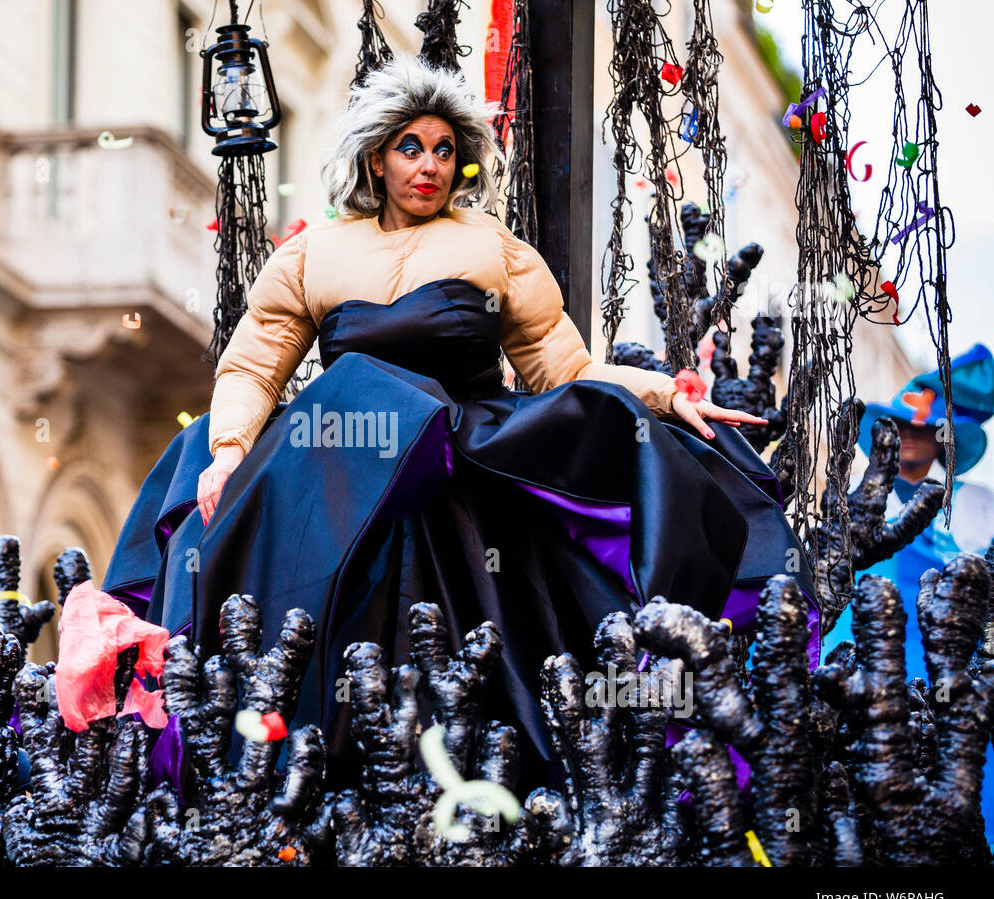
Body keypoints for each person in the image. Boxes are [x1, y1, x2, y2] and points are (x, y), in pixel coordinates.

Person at [103, 54, 820, 793]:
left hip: (466, 480)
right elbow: (252, 370)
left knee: (485, 689)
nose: (430, 166)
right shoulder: (310, 255)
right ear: (376, 158)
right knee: (246, 476)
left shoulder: (494, 250)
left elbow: (564, 370)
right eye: (411, 147)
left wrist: (667, 396)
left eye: (445, 150)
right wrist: (226, 453)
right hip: (346, 478)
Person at [821, 343, 994, 845]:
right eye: (902, 427)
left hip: (941, 663)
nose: (911, 438)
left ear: (943, 440)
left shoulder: (976, 503)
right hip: (860, 656)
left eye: (922, 429)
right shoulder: (853, 491)